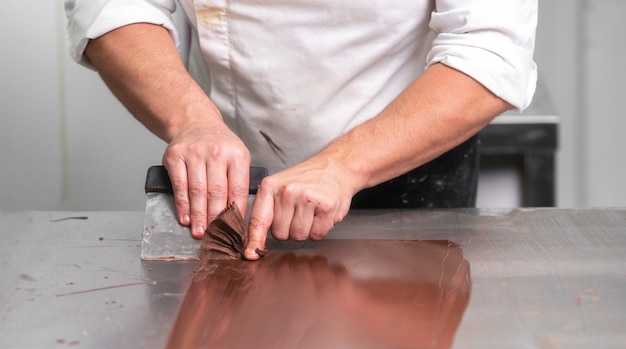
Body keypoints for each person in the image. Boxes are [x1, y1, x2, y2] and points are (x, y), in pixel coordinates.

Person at [64, 1, 538, 260]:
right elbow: (112, 5)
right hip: (232, 184)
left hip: (403, 179)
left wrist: (343, 166)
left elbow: (490, 46)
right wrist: (191, 118)